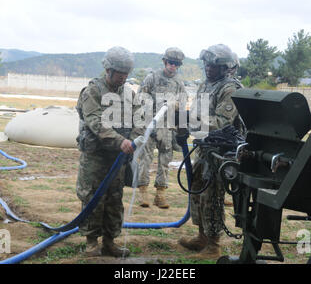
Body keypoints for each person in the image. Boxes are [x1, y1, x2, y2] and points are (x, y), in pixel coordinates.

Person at [75, 46, 143, 257]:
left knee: (115, 199)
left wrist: (134, 138)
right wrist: (119, 140)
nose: (123, 78)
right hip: (96, 157)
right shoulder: (93, 91)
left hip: (119, 158)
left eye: (126, 75)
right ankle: (92, 241)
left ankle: (110, 241)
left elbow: (139, 117)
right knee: (93, 198)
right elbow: (94, 121)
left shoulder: (128, 93)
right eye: (120, 74)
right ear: (109, 70)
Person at [179, 44, 243, 259]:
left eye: (213, 65)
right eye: (206, 64)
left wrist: (190, 121)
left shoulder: (230, 88)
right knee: (197, 190)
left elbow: (223, 123)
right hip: (205, 148)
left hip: (221, 152)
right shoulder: (206, 85)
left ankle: (213, 245)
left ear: (225, 67)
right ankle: (202, 236)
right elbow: (198, 113)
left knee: (212, 196)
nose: (208, 68)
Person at [137, 47, 187, 209]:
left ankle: (160, 194)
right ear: (165, 62)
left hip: (168, 127)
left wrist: (175, 104)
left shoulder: (179, 83)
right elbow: (140, 96)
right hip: (151, 125)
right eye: (170, 63)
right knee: (145, 159)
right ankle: (143, 191)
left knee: (165, 160)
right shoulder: (152, 78)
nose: (173, 66)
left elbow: (184, 101)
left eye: (176, 64)